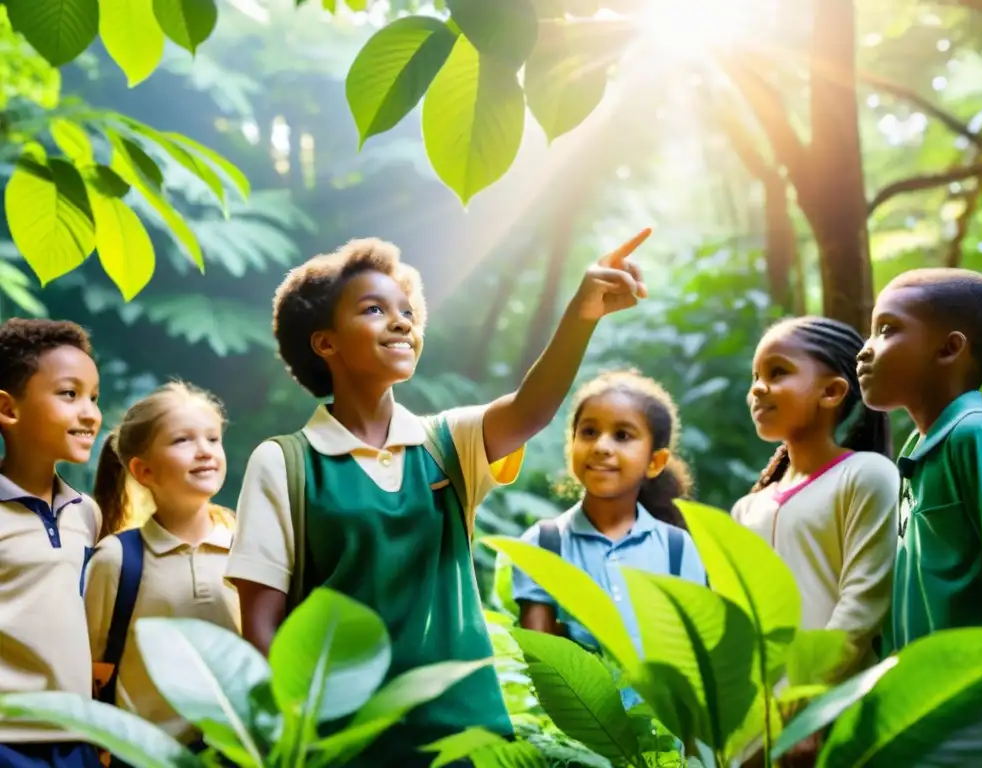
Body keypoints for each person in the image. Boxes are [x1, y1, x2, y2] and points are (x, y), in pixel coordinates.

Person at [225, 230, 652, 766]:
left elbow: (531, 410)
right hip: (343, 746)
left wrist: (582, 313)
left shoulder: (448, 444)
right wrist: (294, 738)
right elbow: (261, 624)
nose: (402, 321)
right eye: (374, 309)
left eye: (407, 310)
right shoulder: (285, 461)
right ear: (325, 342)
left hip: (467, 737)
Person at [858, 268, 982, 653]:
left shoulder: (979, 436)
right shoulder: (918, 455)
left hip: (981, 698)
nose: (865, 348)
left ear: (949, 349)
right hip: (929, 701)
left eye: (886, 330)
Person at [732, 316, 899, 674]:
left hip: (836, 709)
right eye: (755, 377)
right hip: (756, 720)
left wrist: (806, 696)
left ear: (832, 392)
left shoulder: (867, 476)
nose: (758, 388)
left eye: (777, 373)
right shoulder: (746, 509)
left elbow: (863, 605)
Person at [85, 382, 239, 756]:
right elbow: (89, 670)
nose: (204, 452)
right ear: (143, 470)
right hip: (143, 757)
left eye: (213, 439)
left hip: (241, 755)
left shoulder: (250, 548)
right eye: (182, 441)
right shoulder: (115, 559)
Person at [512, 369, 705, 662]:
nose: (601, 447)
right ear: (571, 446)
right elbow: (543, 666)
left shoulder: (679, 550)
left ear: (655, 462)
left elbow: (694, 658)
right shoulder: (542, 545)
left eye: (622, 435)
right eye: (589, 432)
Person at [0, 318, 104, 768]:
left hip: (78, 737)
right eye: (69, 394)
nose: (90, 413)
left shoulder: (87, 512)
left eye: (94, 397)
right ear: (8, 409)